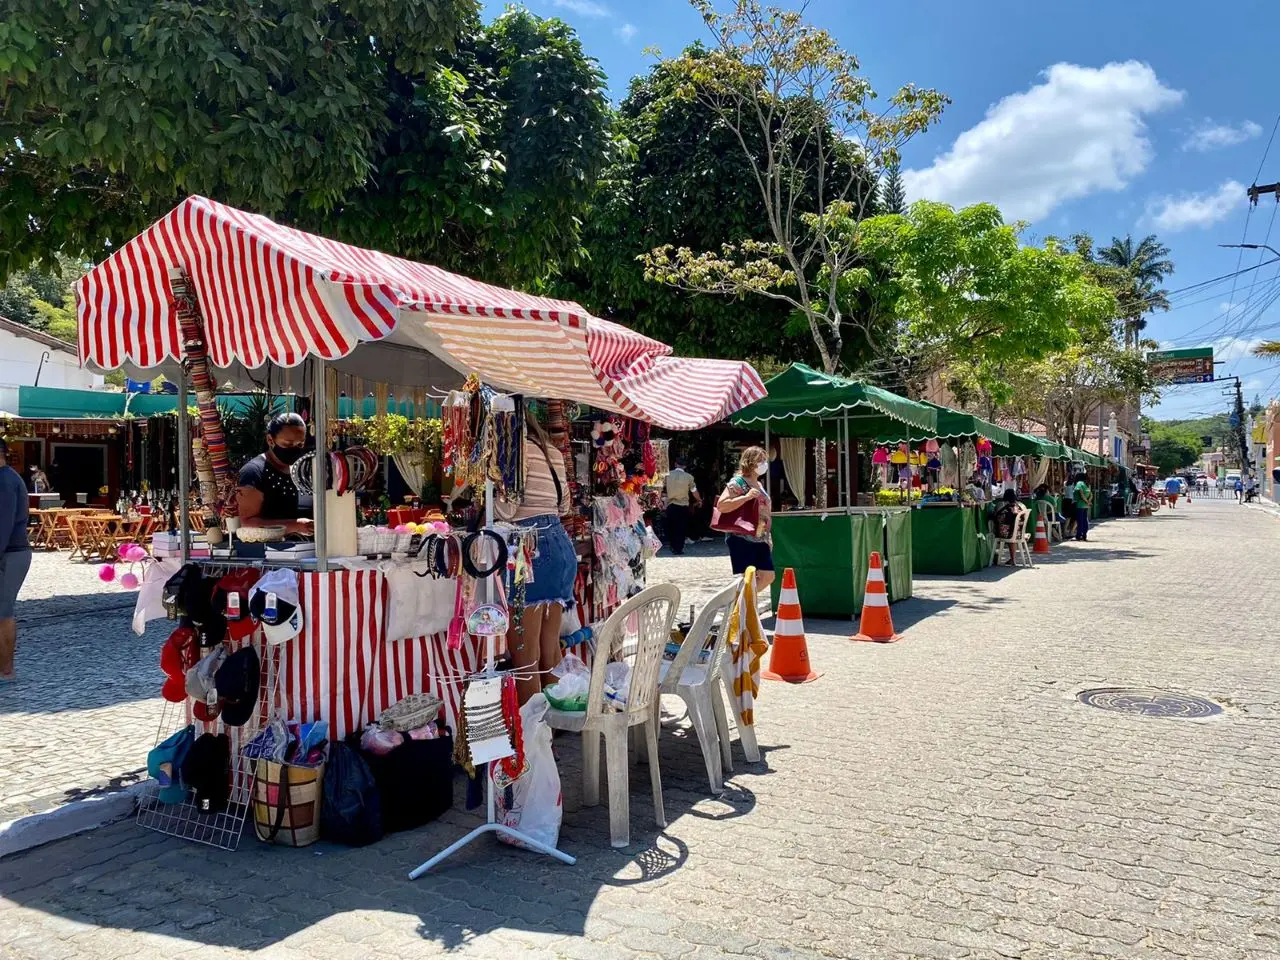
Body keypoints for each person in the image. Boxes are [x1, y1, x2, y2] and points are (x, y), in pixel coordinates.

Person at [493, 411, 576, 704]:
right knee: (549, 649)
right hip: (558, 544)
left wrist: (489, 494)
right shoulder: (551, 451)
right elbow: (564, 505)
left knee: (524, 654)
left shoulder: (514, 454)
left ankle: (534, 735)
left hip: (527, 549)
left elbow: (507, 512)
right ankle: (551, 726)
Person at [235, 413, 314, 535]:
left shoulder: (296, 470)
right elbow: (247, 523)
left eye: (300, 444)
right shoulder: (253, 473)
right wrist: (296, 525)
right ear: (270, 440)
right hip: (262, 550)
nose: (295, 449)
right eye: (288, 443)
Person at [716, 446, 774, 592]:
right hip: (742, 536)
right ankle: (744, 609)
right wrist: (745, 497)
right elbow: (722, 505)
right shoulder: (738, 482)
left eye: (764, 460)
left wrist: (768, 536)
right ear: (750, 463)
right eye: (760, 461)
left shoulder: (759, 484)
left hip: (760, 537)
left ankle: (743, 604)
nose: (764, 464)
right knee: (750, 578)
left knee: (768, 576)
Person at [0, 438, 32, 680]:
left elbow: (3, 524)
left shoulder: (5, 481)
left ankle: (6, 670)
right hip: (10, 551)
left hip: (10, 553)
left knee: (3, 611)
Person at [662, 457, 701, 556]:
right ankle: (678, 548)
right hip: (683, 506)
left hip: (670, 505)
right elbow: (694, 491)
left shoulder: (667, 475)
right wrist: (699, 500)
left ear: (675, 464)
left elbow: (661, 488)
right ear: (685, 466)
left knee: (671, 526)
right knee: (681, 528)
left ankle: (672, 545)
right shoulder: (689, 477)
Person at [991, 488, 1024, 565]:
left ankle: (997, 556)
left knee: (994, 530)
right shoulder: (1020, 505)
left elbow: (995, 514)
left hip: (1005, 533)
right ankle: (1013, 559)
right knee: (1012, 531)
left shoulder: (1001, 504)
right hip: (1019, 533)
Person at [1071, 472, 1092, 542]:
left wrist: (1086, 501)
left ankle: (1078, 536)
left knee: (1080, 521)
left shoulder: (1079, 483)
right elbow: (1091, 494)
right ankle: (1084, 535)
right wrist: (1088, 501)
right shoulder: (1086, 484)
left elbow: (1081, 492)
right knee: (1084, 520)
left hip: (1080, 505)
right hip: (1085, 506)